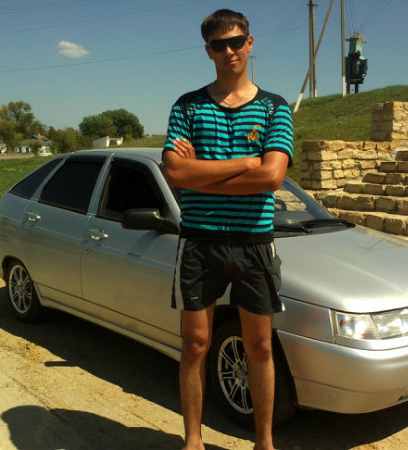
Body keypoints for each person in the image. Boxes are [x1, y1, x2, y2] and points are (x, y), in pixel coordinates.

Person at [161, 9, 293, 450]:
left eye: (236, 42)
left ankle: (264, 443)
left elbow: (271, 178)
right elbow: (174, 173)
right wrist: (246, 163)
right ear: (208, 51)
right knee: (195, 345)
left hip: (254, 242)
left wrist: (200, 173)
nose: (229, 51)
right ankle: (193, 441)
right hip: (199, 241)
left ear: (249, 43)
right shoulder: (187, 106)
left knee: (260, 348)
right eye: (219, 45)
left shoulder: (274, 107)